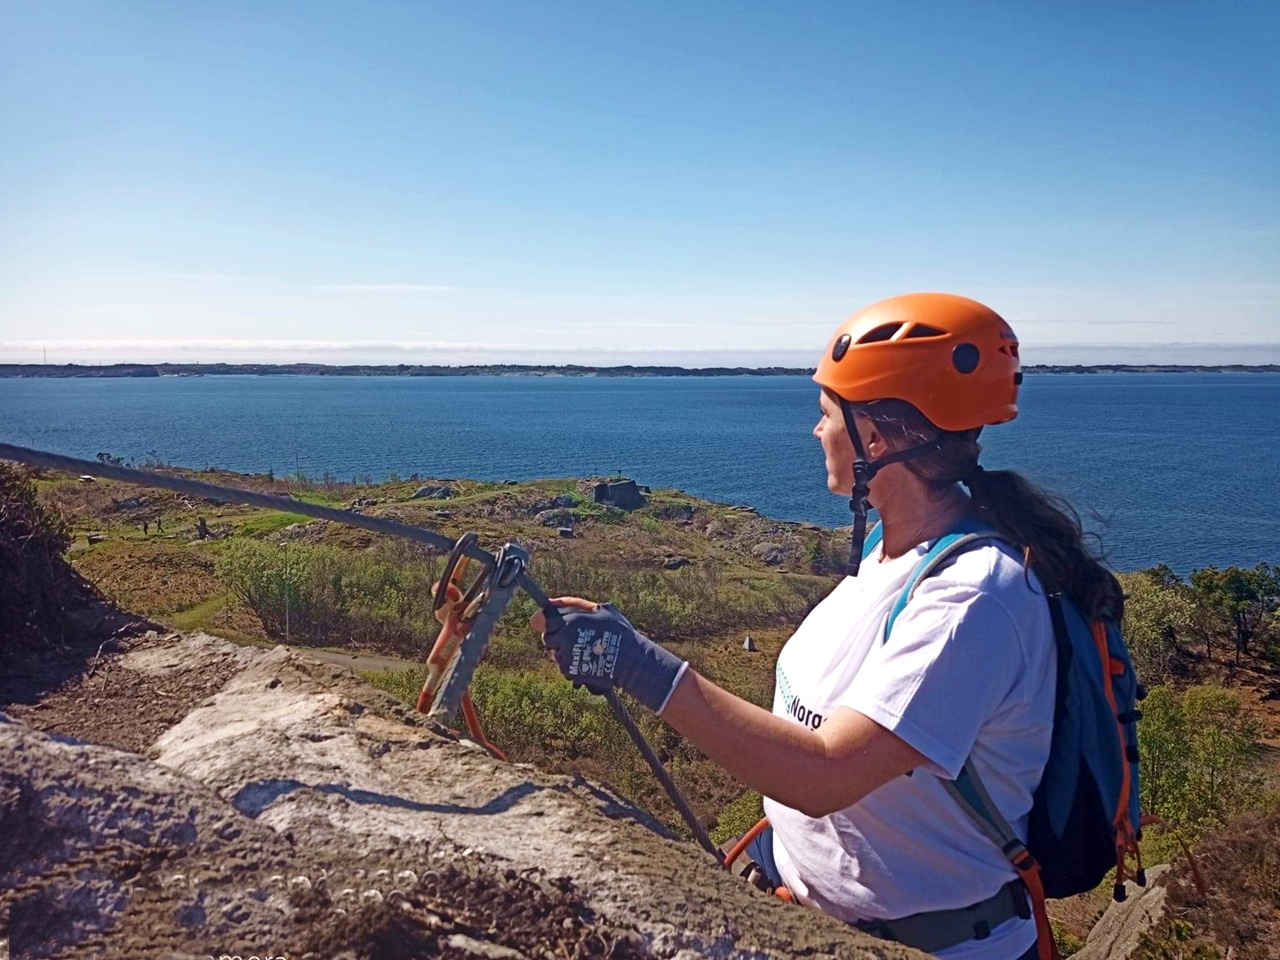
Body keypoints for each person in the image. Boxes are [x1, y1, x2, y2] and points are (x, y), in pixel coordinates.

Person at [532, 293, 1125, 960]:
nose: (816, 432)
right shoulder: (893, 546)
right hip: (809, 916)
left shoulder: (973, 598)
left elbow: (824, 774)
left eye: (825, 415)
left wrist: (637, 663)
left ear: (874, 435)